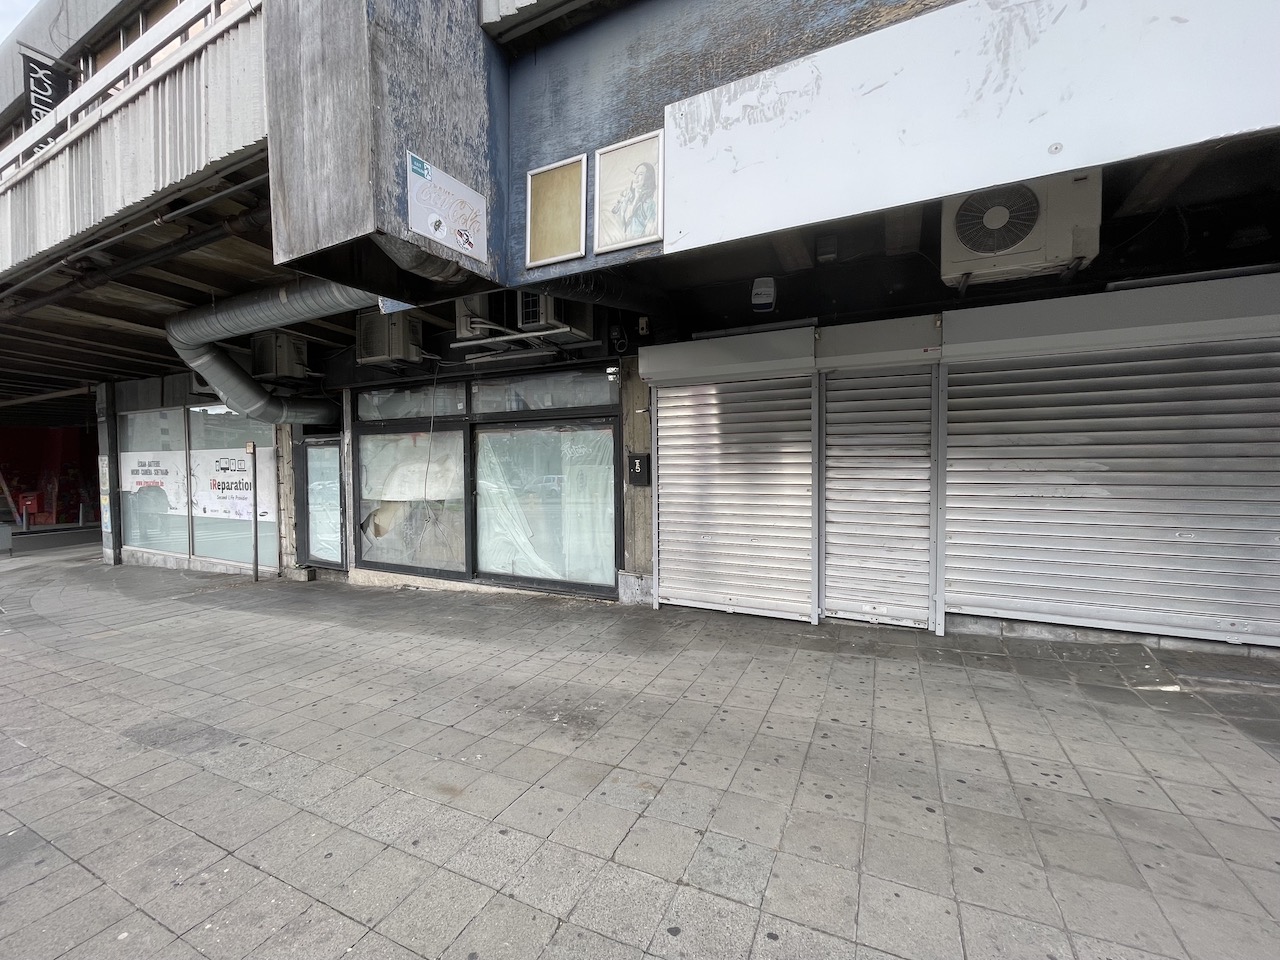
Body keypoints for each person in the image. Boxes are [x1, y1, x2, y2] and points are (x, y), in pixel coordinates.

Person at [612, 162, 657, 239]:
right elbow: (622, 230)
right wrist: (622, 211)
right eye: (635, 173)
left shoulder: (649, 204)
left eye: (640, 174)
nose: (635, 178)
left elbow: (650, 232)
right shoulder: (627, 201)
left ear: (648, 178)